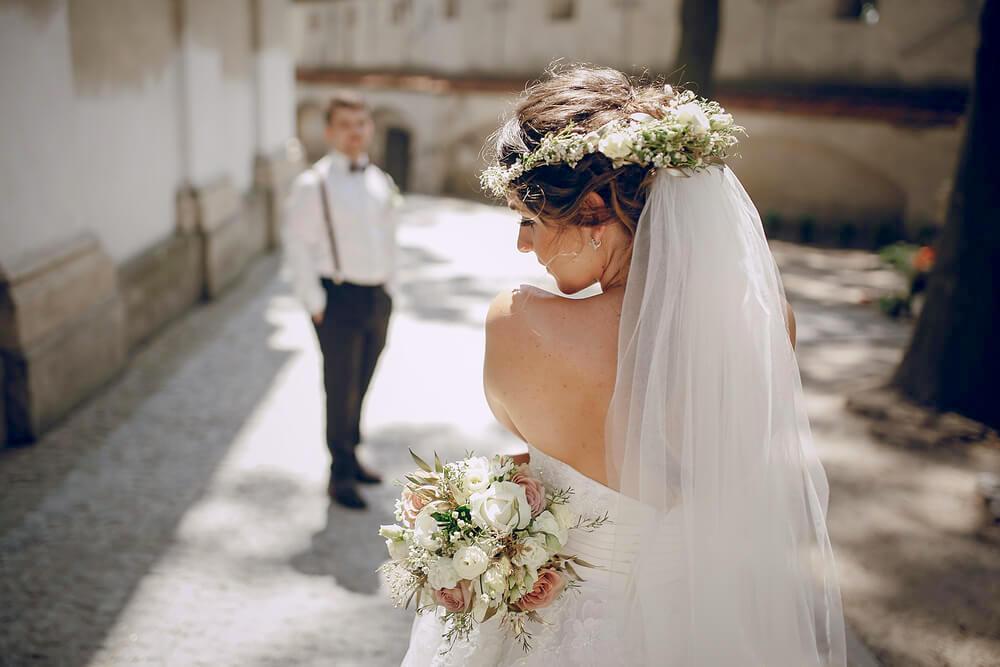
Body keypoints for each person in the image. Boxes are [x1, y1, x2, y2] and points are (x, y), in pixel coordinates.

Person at [401, 66, 845, 665]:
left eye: (528, 219)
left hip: (557, 621)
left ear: (591, 211)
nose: (522, 245)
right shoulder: (766, 325)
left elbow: (552, 434)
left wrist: (487, 501)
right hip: (701, 625)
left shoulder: (518, 322)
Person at [283, 92, 401, 510]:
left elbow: (387, 238)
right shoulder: (313, 184)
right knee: (340, 385)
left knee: (362, 381)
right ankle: (339, 474)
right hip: (337, 297)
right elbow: (297, 245)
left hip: (376, 296)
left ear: (370, 127)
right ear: (330, 131)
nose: (356, 132)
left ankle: (351, 454)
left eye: (361, 123)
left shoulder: (378, 180)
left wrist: (390, 288)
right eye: (346, 125)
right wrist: (314, 301)